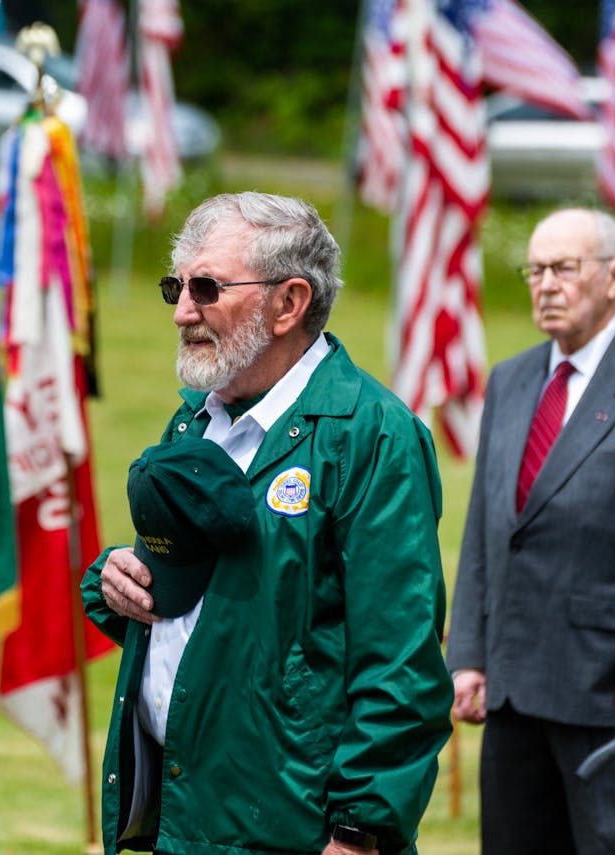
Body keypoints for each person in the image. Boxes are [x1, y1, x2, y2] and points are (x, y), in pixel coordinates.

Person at [82, 192, 453, 855]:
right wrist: (117, 582)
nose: (182, 311)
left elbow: (402, 662)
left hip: (293, 830)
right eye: (175, 286)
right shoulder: (196, 419)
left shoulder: (371, 435)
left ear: (289, 303)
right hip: (184, 819)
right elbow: (204, 611)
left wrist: (359, 831)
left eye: (206, 288)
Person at [446, 208, 615, 854]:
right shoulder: (511, 380)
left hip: (610, 697)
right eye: (535, 270)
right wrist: (469, 656)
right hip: (511, 692)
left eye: (565, 269)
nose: (546, 284)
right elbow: (487, 528)